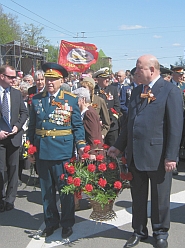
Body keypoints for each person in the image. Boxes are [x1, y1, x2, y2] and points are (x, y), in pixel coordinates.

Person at [108, 55, 183, 248]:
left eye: (138, 68)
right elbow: (129, 124)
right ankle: (139, 231)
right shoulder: (136, 92)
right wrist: (118, 145)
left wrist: (171, 156)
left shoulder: (170, 91)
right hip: (136, 154)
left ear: (152, 70)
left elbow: (175, 127)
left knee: (160, 198)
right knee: (138, 197)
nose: (135, 72)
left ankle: (160, 233)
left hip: (159, 156)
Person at [27, 62, 86, 239]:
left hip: (62, 151)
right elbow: (32, 126)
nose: (49, 82)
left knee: (65, 190)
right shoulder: (37, 99)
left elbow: (77, 126)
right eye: (47, 79)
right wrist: (30, 149)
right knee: (47, 191)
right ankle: (51, 222)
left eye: (53, 79)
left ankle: (67, 223)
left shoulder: (70, 99)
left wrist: (81, 146)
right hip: (43, 151)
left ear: (62, 80)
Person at [0, 65, 28, 212]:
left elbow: (24, 113)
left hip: (14, 137)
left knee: (13, 169)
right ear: (2, 76)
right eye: (10, 77)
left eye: (14, 77)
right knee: (0, 170)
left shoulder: (16, 94)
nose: (13, 80)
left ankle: (10, 200)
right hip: (0, 139)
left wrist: (17, 126)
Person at [94, 67, 120, 146]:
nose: (108, 80)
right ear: (98, 79)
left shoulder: (113, 89)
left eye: (108, 78)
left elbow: (117, 107)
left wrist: (110, 120)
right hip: (98, 127)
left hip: (112, 127)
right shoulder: (94, 91)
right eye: (105, 78)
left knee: (112, 153)